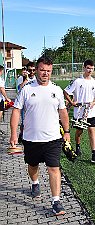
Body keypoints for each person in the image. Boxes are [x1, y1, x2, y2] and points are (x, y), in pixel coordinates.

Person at [9, 56, 70, 216]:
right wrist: (13, 133)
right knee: (33, 166)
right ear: (36, 70)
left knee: (54, 168)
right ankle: (35, 183)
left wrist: (67, 132)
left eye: (48, 71)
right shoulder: (27, 89)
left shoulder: (57, 90)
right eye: (42, 70)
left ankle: (56, 201)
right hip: (31, 139)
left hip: (53, 139)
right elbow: (16, 111)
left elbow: (63, 112)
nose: (45, 73)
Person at [63, 59, 95, 163]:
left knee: (92, 131)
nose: (90, 70)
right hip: (79, 112)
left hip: (91, 112)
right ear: (84, 68)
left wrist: (93, 103)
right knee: (79, 132)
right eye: (88, 68)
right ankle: (78, 147)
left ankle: (94, 154)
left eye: (92, 68)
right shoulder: (77, 81)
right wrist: (72, 102)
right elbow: (65, 91)